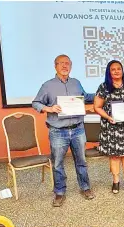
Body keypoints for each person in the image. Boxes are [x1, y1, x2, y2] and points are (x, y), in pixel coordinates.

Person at [32, 54, 95, 207]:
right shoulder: (47, 85)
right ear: (55, 66)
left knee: (81, 161)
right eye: (61, 63)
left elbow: (85, 97)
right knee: (58, 163)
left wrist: (103, 92)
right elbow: (36, 103)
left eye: (67, 63)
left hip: (78, 129)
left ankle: (85, 187)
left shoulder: (76, 83)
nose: (64, 66)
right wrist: (49, 108)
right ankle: (59, 192)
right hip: (58, 131)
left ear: (71, 66)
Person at [94, 60, 124, 194]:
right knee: (114, 156)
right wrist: (109, 117)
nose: (116, 71)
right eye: (113, 69)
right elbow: (96, 107)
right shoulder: (104, 87)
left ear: (122, 70)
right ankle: (116, 181)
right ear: (109, 72)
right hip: (111, 127)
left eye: (118, 68)